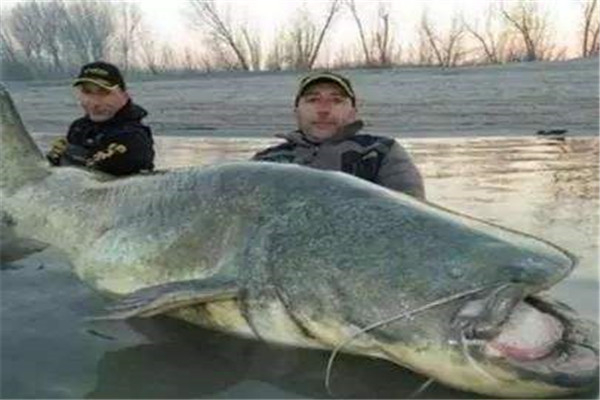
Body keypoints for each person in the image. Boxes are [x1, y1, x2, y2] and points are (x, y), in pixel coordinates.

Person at [252, 71, 425, 199]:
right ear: (296, 111)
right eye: (313, 100)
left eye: (336, 101)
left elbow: (414, 213)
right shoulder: (267, 161)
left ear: (353, 112)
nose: (324, 110)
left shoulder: (381, 151)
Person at [46, 61, 155, 176]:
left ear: (124, 95)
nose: (94, 103)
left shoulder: (134, 137)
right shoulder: (78, 127)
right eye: (87, 92)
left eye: (104, 93)